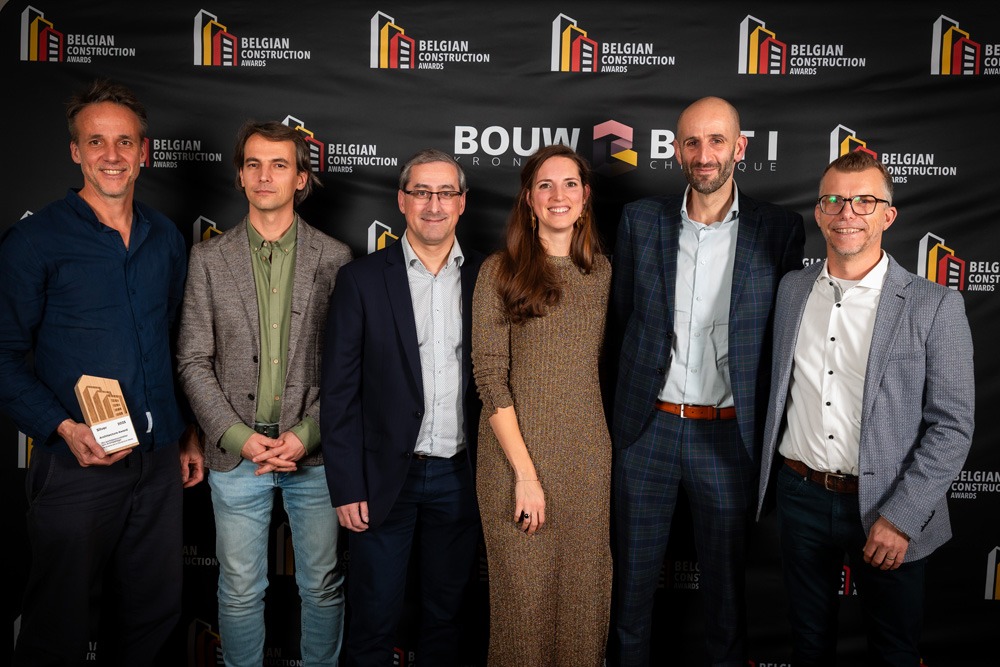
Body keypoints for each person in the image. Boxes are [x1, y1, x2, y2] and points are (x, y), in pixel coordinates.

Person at [0, 79, 203, 666]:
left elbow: (173, 343)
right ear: (76, 152)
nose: (111, 155)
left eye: (124, 142)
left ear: (144, 151)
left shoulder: (165, 238)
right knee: (58, 621)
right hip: (76, 464)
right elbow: (3, 356)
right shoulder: (34, 241)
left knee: (153, 617)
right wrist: (64, 429)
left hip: (158, 462)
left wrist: (185, 430)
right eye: (96, 142)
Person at [756, 150, 975, 666]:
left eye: (864, 202)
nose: (847, 213)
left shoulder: (934, 304)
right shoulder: (792, 290)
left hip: (887, 505)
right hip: (800, 496)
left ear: (887, 215)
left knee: (893, 652)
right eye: (834, 200)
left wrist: (900, 519)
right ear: (819, 212)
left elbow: (952, 427)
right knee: (808, 646)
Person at [609, 96, 805, 666]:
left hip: (727, 437)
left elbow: (786, 335)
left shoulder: (779, 229)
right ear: (677, 151)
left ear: (739, 148)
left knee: (726, 601)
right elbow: (620, 324)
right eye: (692, 142)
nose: (704, 154)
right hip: (647, 432)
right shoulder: (640, 220)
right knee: (630, 597)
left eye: (717, 140)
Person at [176, 120, 352, 666]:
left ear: (301, 178)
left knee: (322, 585)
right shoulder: (208, 259)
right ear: (240, 175)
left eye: (279, 164)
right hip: (237, 458)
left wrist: (306, 435)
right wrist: (238, 437)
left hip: (314, 456)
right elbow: (193, 359)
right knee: (238, 589)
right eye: (253, 164)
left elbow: (347, 367)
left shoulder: (335, 258)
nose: (264, 175)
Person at [321, 149, 484, 667]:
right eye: (421, 193)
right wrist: (347, 484)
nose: (433, 205)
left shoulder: (488, 278)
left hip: (461, 476)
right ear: (401, 200)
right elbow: (339, 391)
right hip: (383, 479)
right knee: (373, 619)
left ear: (462, 202)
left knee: (447, 617)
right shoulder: (361, 279)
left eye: (445, 193)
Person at [472, 144, 612, 666]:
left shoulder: (602, 274)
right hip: (515, 465)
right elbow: (490, 379)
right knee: (523, 611)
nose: (558, 195)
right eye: (545, 185)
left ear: (585, 196)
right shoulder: (499, 271)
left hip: (586, 462)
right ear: (529, 199)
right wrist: (526, 477)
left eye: (570, 183)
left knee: (583, 604)